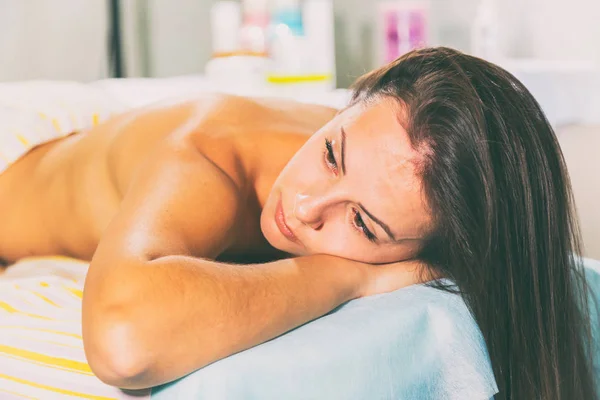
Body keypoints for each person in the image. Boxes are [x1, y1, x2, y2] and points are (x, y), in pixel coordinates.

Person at [0, 47, 596, 399]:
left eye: (362, 224)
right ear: (353, 103)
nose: (306, 206)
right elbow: (124, 343)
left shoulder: (397, 164)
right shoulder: (207, 159)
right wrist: (350, 278)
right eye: (332, 153)